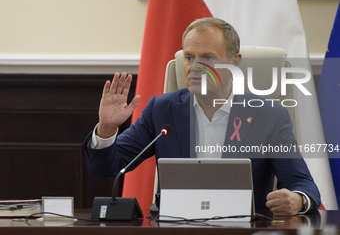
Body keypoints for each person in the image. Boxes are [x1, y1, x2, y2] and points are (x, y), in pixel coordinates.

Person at [84, 17, 320, 215]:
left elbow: (303, 185)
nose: (195, 66)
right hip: (177, 229)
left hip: (244, 229)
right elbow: (107, 167)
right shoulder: (162, 110)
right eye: (189, 57)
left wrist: (297, 200)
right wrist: (106, 129)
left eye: (207, 58)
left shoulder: (267, 115)